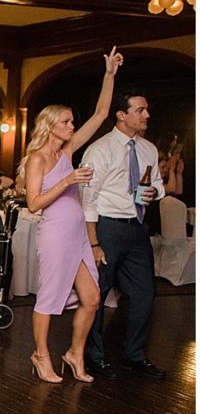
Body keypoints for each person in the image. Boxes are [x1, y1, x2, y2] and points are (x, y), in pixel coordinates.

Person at [20, 46, 122, 383]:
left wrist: (109, 74)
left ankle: (74, 353)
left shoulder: (67, 150)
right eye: (66, 121)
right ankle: (40, 354)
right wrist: (67, 179)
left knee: (92, 298)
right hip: (56, 234)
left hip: (78, 236)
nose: (71, 125)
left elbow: (101, 113)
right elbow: (34, 204)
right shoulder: (37, 158)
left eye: (71, 122)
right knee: (48, 299)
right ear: (51, 126)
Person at [81, 83, 167, 380]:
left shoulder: (148, 148)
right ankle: (93, 357)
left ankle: (134, 355)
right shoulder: (100, 150)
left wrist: (153, 192)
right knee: (98, 293)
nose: (146, 114)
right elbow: (88, 200)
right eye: (140, 110)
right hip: (107, 228)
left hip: (138, 228)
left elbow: (159, 184)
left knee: (145, 293)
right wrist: (93, 243)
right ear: (121, 114)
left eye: (146, 109)